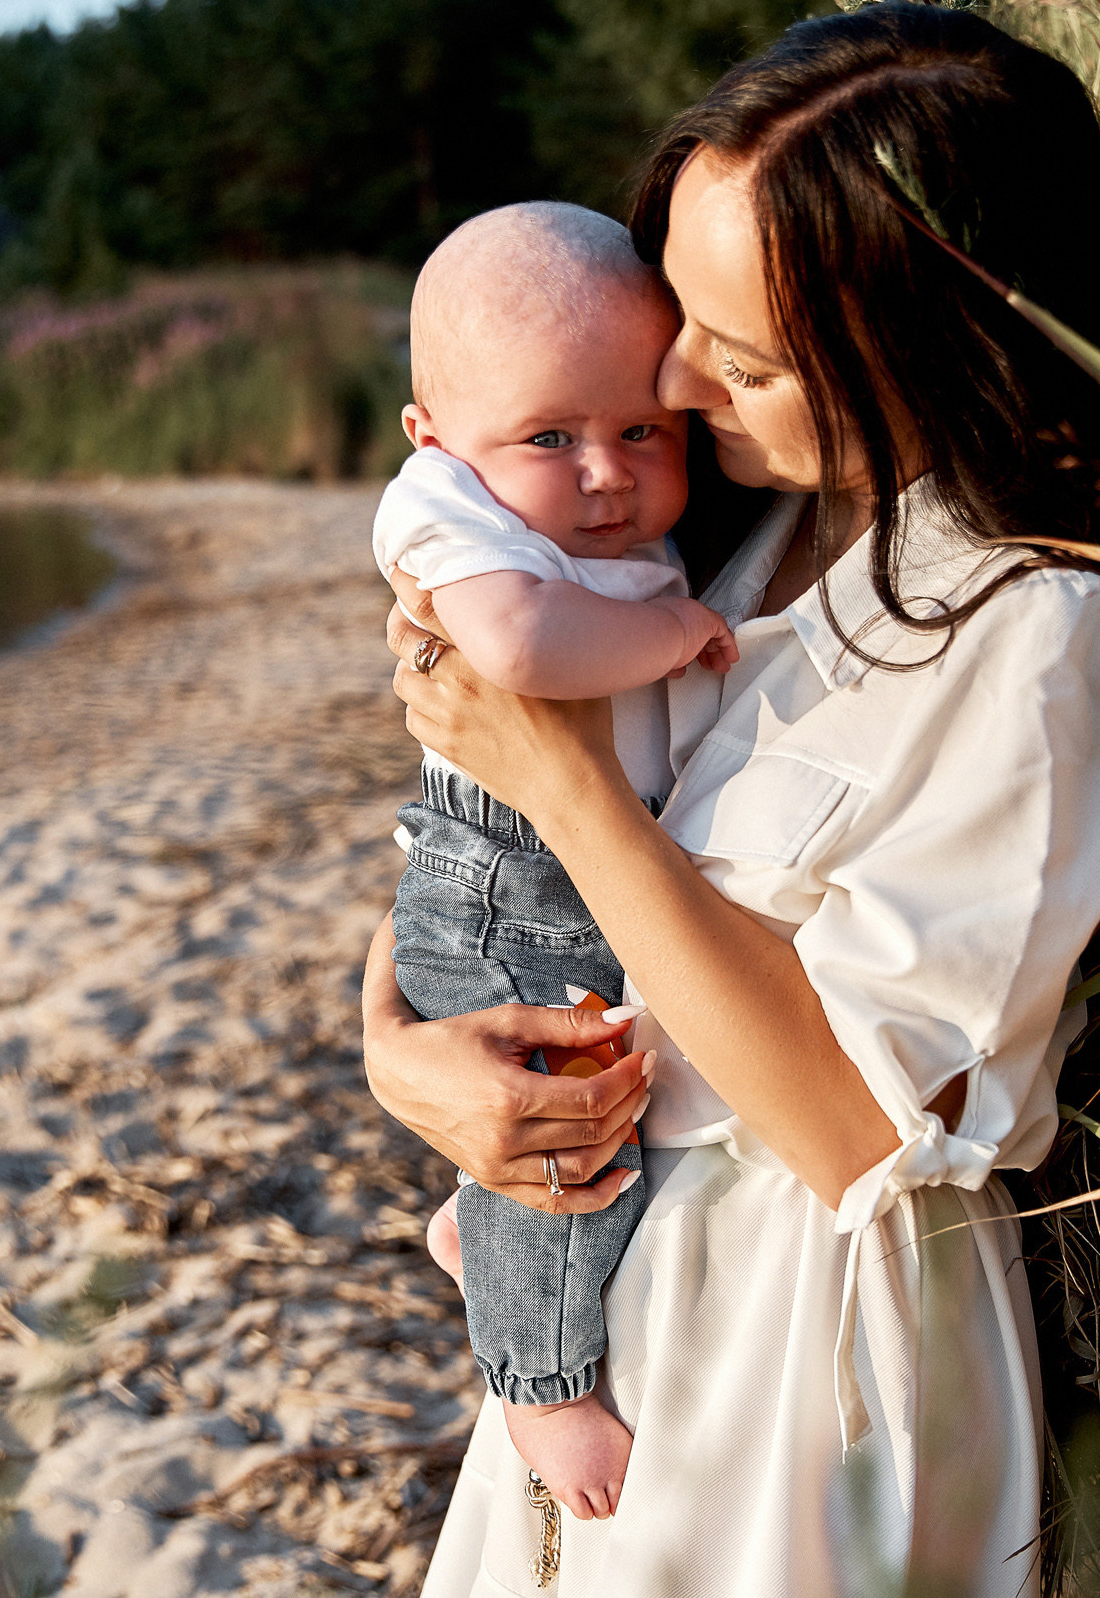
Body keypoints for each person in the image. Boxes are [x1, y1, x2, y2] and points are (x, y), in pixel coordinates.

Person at [364, 1, 1100, 1596]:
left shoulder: (1042, 646)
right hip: (584, 1295)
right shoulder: (705, 544)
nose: (677, 381)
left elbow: (856, 1129)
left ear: (929, 335)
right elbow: (468, 838)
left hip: (793, 1351)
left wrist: (569, 787)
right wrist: (404, 1055)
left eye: (741, 352)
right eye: (677, 316)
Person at [374, 200, 738, 1523]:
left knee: (579, 1115)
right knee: (573, 1127)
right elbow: (522, 654)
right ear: (439, 440)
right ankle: (537, 1379)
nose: (605, 473)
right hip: (507, 884)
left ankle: (486, 1230)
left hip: (564, 869)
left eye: (641, 429)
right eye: (552, 439)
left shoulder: (602, 524)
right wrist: (679, 633)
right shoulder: (445, 517)